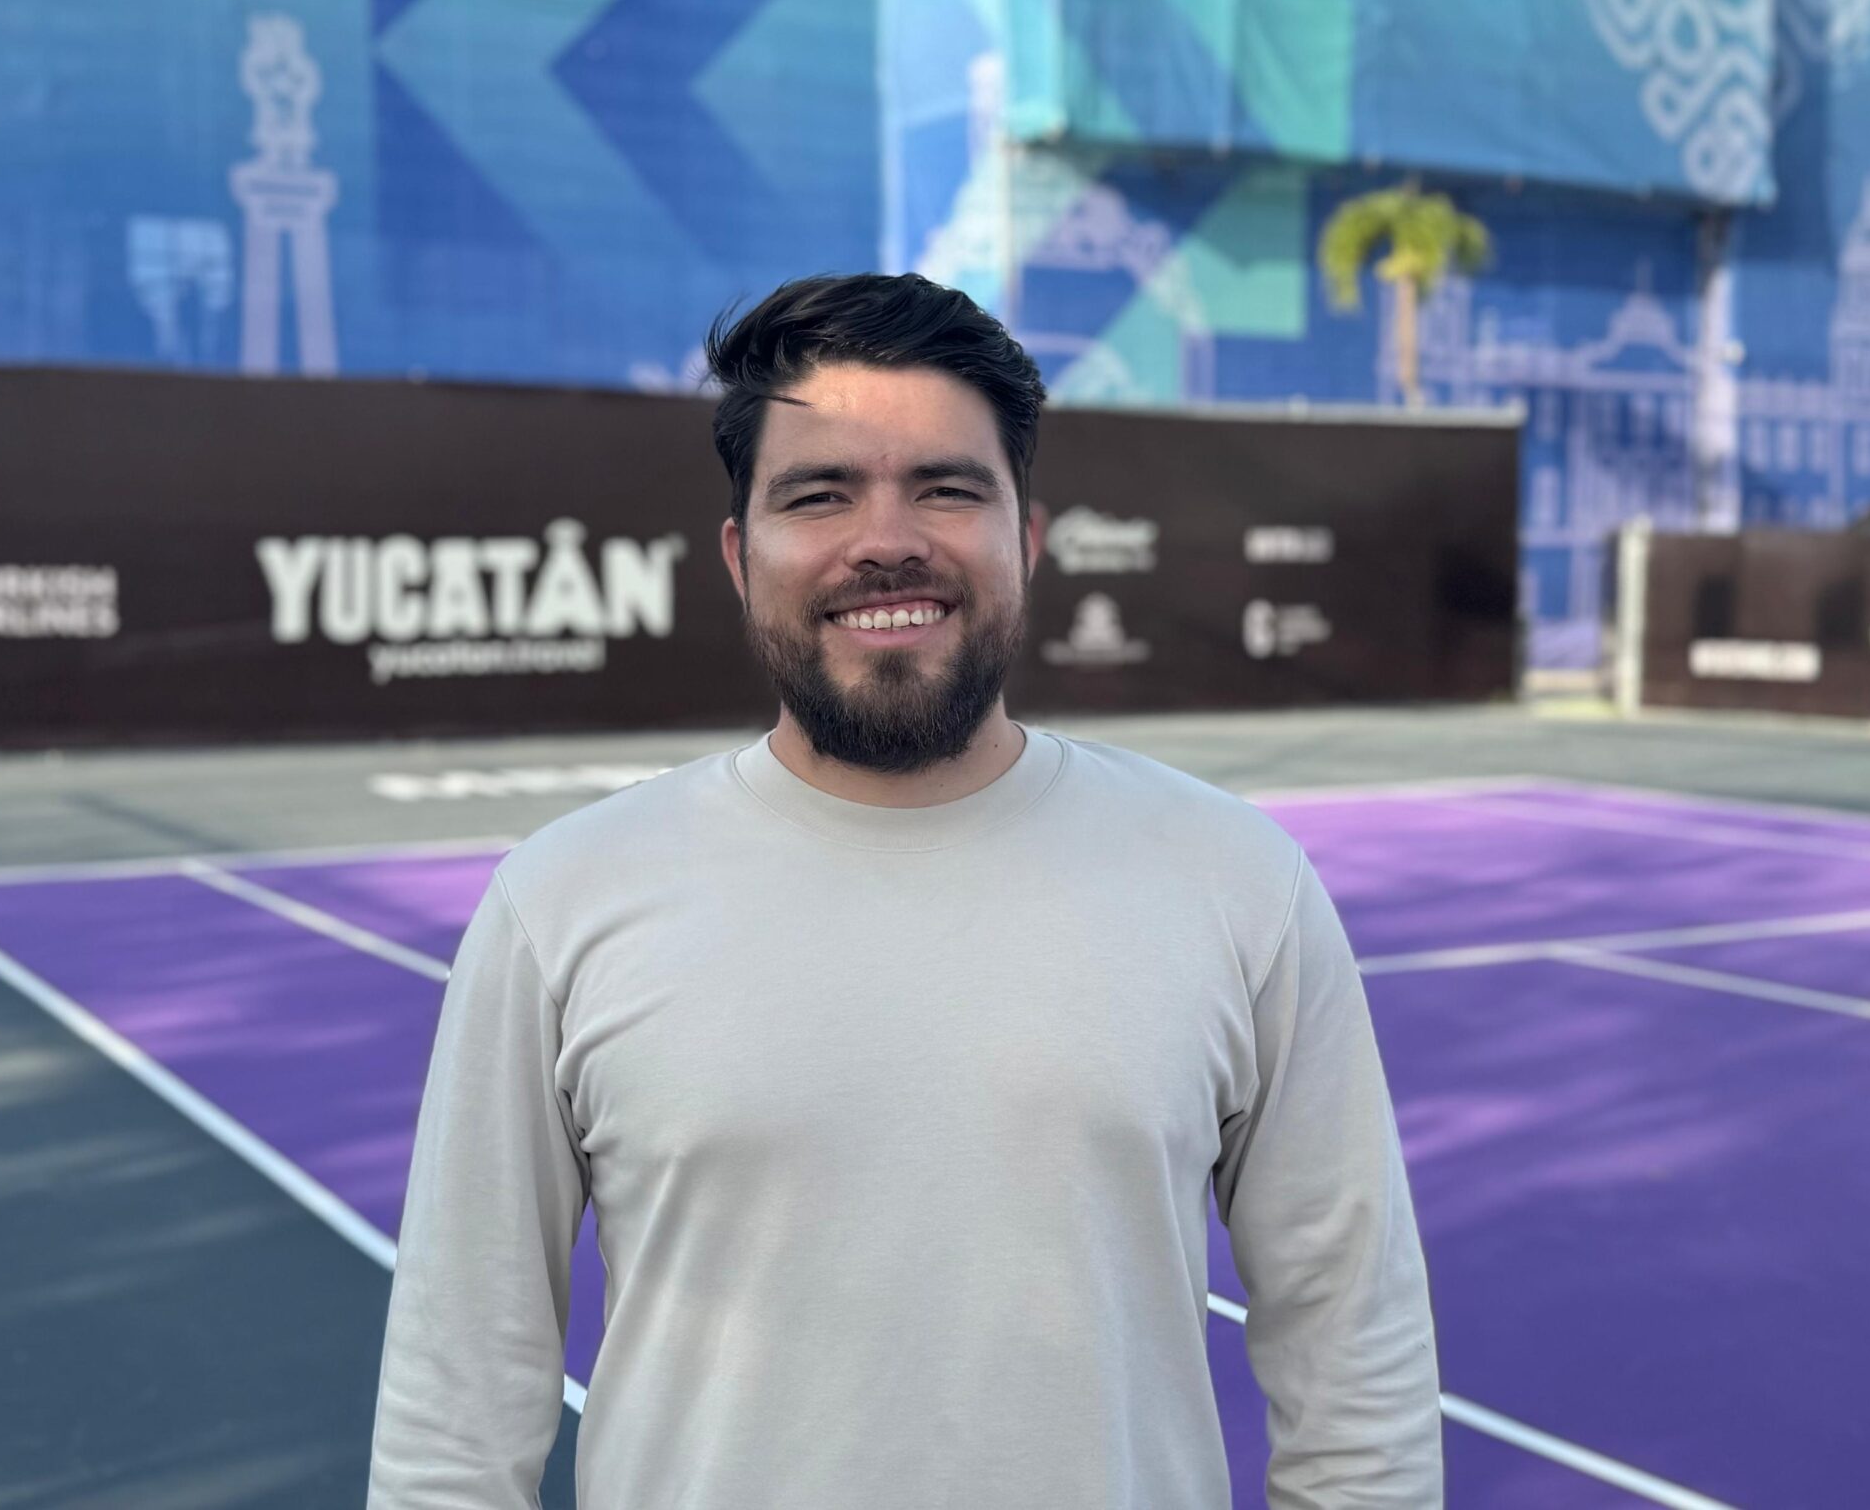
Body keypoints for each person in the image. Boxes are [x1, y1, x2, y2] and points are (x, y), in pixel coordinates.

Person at [366, 273, 1441, 1508]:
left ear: (1026, 541)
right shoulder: (560, 901)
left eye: (946, 487)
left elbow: (1352, 1351)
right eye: (818, 493)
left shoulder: (1238, 882)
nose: (885, 539)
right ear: (740, 556)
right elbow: (457, 1407)